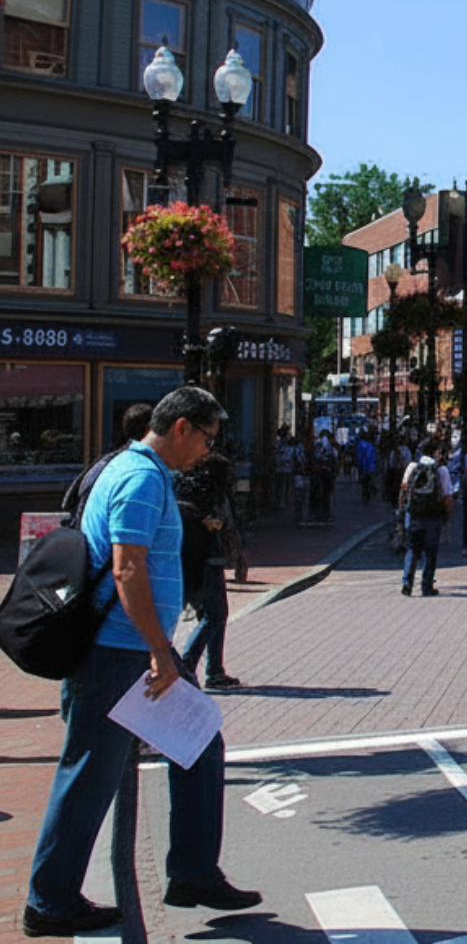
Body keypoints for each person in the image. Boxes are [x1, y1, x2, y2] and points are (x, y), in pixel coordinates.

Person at [24, 387, 260, 936]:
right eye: (206, 439)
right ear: (181, 427)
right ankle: (50, 900)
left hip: (130, 648)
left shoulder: (135, 470)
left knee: (198, 742)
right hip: (120, 652)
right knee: (90, 773)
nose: (207, 451)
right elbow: (127, 569)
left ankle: (193, 873)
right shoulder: (141, 478)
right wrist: (159, 651)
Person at [176, 451, 243, 691]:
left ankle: (215, 669)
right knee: (215, 615)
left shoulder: (183, 489)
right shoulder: (215, 495)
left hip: (187, 558)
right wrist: (238, 556)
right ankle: (188, 664)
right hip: (210, 559)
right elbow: (226, 525)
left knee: (208, 614)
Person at [399, 437, 456, 597]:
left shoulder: (413, 467)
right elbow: (447, 496)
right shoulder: (441, 470)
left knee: (412, 548)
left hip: (414, 514)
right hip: (433, 515)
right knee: (430, 551)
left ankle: (407, 582)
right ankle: (427, 585)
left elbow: (404, 490)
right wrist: (447, 515)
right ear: (435, 453)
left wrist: (402, 510)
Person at [353, 430, 378, 505]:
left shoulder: (359, 445)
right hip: (371, 466)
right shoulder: (370, 445)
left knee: (364, 483)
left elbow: (359, 457)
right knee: (368, 481)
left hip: (363, 466)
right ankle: (369, 492)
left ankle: (366, 495)